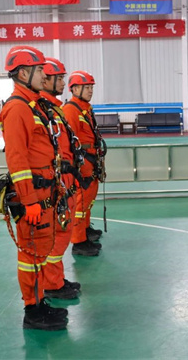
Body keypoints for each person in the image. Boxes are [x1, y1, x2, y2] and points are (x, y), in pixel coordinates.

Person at [0, 45, 68, 331]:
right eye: (40, 70)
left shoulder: (33, 105)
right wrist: (28, 201)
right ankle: (32, 310)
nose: (44, 75)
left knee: (40, 250)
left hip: (45, 193)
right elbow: (17, 159)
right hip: (34, 196)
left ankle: (39, 302)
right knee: (31, 255)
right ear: (24, 73)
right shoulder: (17, 109)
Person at [39, 57, 83, 300]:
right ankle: (52, 284)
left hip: (65, 180)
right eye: (59, 78)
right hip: (56, 182)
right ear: (45, 80)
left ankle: (55, 279)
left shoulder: (54, 109)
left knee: (61, 234)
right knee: (57, 235)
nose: (63, 83)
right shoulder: (43, 110)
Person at [62, 71, 105, 257]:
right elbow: (68, 141)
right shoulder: (71, 110)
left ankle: (85, 230)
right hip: (83, 163)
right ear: (74, 89)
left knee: (88, 200)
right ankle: (78, 242)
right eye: (86, 87)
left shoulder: (85, 109)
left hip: (91, 160)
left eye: (91, 87)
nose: (90, 91)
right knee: (80, 204)